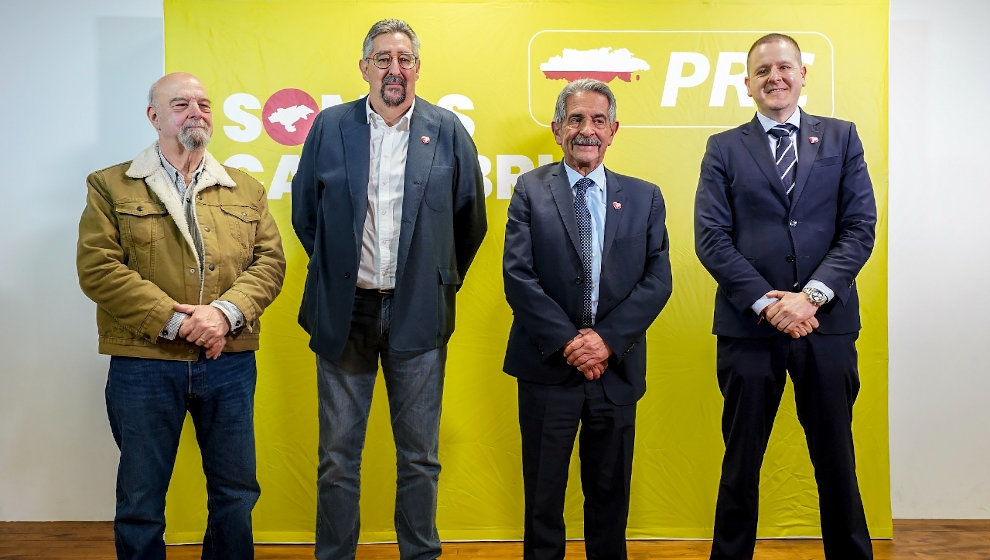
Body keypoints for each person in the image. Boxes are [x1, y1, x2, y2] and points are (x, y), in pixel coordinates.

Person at [291, 18, 487, 560]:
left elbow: (471, 220)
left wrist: (435, 279)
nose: (394, 69)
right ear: (364, 68)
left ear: (418, 69)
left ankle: (419, 553)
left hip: (418, 311)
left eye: (404, 59)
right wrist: (340, 272)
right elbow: (306, 212)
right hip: (345, 309)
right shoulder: (331, 127)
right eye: (383, 59)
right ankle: (334, 554)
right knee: (337, 455)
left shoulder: (446, 129)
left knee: (420, 455)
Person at [76, 72, 286, 559]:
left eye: (204, 103)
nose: (197, 111)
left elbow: (270, 263)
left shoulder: (246, 189)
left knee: (236, 495)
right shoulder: (110, 185)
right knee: (141, 500)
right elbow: (99, 269)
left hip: (228, 361)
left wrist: (224, 315)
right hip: (144, 363)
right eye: (181, 103)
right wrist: (180, 324)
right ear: (154, 116)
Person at [694, 33, 877, 560]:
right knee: (741, 461)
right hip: (749, 330)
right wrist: (769, 303)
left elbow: (859, 227)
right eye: (762, 71)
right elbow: (711, 237)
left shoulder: (842, 138)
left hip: (828, 326)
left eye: (784, 67)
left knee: (836, 459)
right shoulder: (724, 148)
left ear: (802, 74)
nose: (774, 77)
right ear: (747, 83)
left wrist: (811, 297)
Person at [502, 78, 673, 560]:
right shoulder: (530, 191)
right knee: (543, 500)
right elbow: (518, 275)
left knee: (609, 499)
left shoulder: (645, 197)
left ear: (614, 130)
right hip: (547, 369)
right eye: (576, 119)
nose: (587, 130)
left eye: (598, 120)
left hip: (615, 371)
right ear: (557, 129)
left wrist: (605, 342)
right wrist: (570, 343)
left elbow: (657, 280)